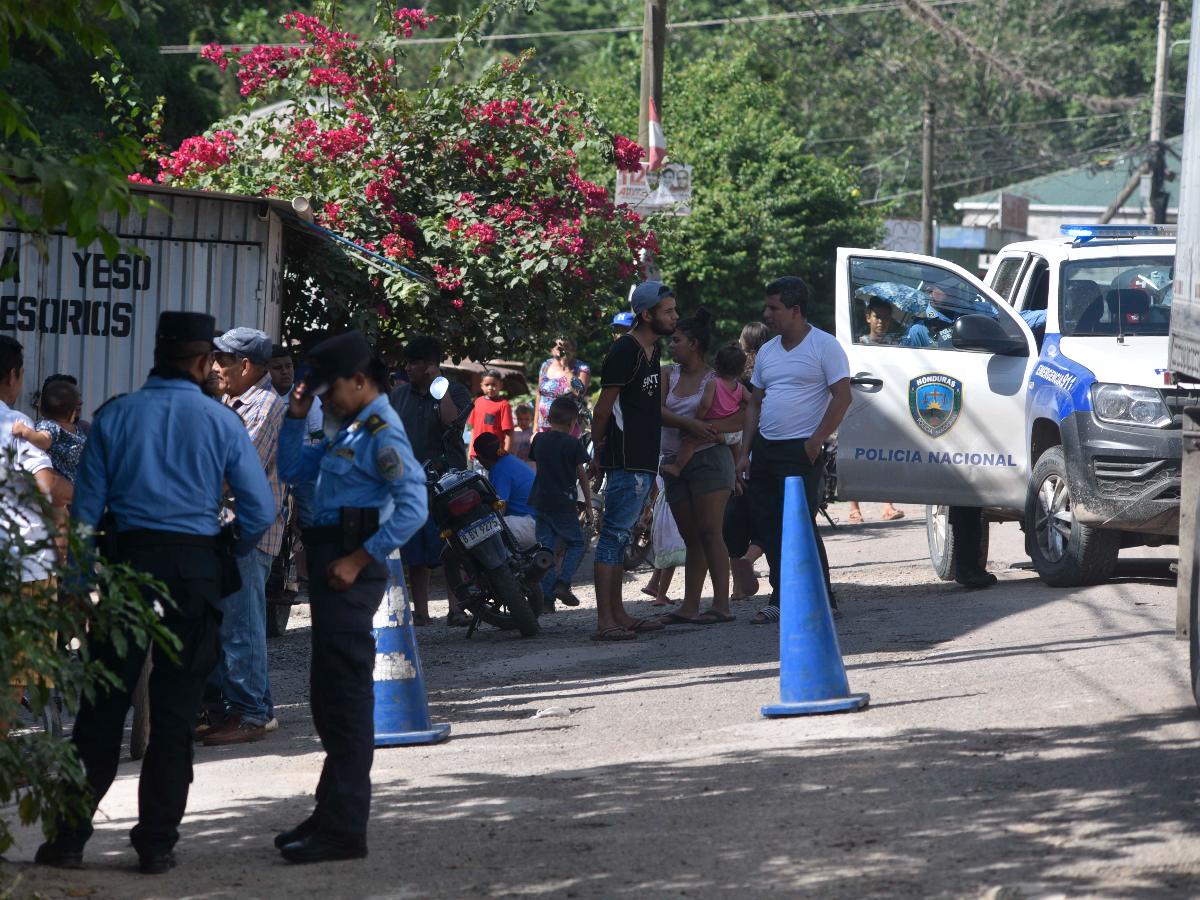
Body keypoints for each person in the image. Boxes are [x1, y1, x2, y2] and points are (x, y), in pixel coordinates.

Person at [36, 312, 275, 874]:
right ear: (202, 361)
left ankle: (68, 839)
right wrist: (222, 552)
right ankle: (157, 844)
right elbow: (260, 511)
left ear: (157, 355)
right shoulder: (222, 422)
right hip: (194, 576)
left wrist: (80, 586)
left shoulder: (115, 416)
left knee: (101, 712)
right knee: (175, 716)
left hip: (126, 573)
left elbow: (86, 515)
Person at [276, 331, 426, 864]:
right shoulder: (352, 429)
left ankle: (344, 830)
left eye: (331, 390)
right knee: (328, 696)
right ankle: (329, 813)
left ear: (359, 381)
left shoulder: (382, 431)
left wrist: (360, 559)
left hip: (349, 568)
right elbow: (293, 471)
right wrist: (295, 418)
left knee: (345, 699)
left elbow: (413, 508)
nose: (326, 399)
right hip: (330, 562)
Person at [737, 277, 851, 625]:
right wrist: (744, 453)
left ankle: (823, 600)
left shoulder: (824, 346)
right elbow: (754, 404)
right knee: (769, 526)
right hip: (765, 449)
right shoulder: (767, 352)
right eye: (766, 307)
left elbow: (843, 397)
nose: (766, 314)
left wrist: (816, 440)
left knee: (800, 525)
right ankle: (781, 598)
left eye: (774, 308)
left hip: (801, 450)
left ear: (796, 310)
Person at [201, 327, 287, 745]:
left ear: (246, 365)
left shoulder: (265, 406)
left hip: (248, 533)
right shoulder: (228, 403)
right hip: (223, 528)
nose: (215, 367)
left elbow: (235, 470)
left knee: (242, 627)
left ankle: (251, 713)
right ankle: (234, 710)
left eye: (222, 360)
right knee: (223, 625)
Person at [588, 282, 678, 641]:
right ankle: (605, 621)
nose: (674, 317)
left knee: (621, 535)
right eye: (668, 311)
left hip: (643, 458)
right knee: (612, 536)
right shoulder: (624, 349)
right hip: (625, 459)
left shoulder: (652, 350)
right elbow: (603, 409)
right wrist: (598, 452)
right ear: (646, 314)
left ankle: (619, 615)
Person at [0, 338, 71, 737]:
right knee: (14, 672)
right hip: (21, 567)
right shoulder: (15, 426)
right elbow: (50, 489)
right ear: (12, 376)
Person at [655, 310, 741, 626]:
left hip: (710, 460)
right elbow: (655, 411)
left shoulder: (717, 379)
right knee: (691, 536)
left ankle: (721, 605)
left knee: (710, 532)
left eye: (676, 340)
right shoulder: (667, 374)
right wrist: (693, 424)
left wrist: (710, 430)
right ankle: (690, 606)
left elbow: (744, 415)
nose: (671, 345)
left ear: (693, 344)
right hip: (673, 462)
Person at [389, 335, 472, 626]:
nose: (407, 368)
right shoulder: (398, 396)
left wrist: (440, 386)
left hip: (449, 480)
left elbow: (452, 423)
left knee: (453, 546)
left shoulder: (455, 391)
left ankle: (457, 608)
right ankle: (421, 612)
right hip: (410, 483)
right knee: (414, 551)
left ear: (430, 365)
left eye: (414, 362)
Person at [528, 396, 592, 610]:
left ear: (548, 418)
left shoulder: (538, 440)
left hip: (540, 501)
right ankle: (563, 583)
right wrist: (588, 504)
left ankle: (547, 600)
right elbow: (582, 475)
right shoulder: (573, 444)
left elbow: (536, 465)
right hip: (564, 503)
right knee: (576, 543)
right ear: (573, 422)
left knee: (546, 551)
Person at [726, 323, 771, 600]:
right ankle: (750, 558)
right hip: (762, 449)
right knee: (769, 516)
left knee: (735, 518)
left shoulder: (734, 372)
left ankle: (737, 588)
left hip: (734, 450)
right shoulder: (769, 369)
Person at [661, 343, 746, 478]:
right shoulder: (740, 388)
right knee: (735, 447)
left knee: (690, 441)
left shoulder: (714, 383)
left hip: (712, 431)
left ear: (717, 365)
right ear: (741, 370)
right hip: (733, 434)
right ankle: (738, 476)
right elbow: (753, 402)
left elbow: (705, 405)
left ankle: (677, 467)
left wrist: (697, 421)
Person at [13, 378, 87, 484]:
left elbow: (44, 440)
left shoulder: (50, 426)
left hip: (58, 481)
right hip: (74, 483)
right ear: (72, 414)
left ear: (41, 409)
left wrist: (25, 431)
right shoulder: (78, 432)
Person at [472, 431, 537, 548]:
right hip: (536, 521)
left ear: (481, 458)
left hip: (531, 524)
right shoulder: (508, 460)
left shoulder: (499, 469)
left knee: (478, 533)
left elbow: (500, 509)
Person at [534, 335, 590, 433]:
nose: (561, 350)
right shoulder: (546, 365)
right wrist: (535, 424)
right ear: (552, 349)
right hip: (543, 425)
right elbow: (539, 394)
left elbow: (579, 393)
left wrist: (566, 367)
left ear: (573, 351)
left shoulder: (582, 368)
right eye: (557, 347)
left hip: (567, 427)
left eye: (565, 347)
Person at [466, 369, 514, 461]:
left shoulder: (504, 405)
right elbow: (473, 429)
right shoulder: (477, 402)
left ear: (501, 385)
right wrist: (471, 449)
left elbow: (509, 432)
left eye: (494, 385)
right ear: (481, 386)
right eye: (487, 385)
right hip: (477, 453)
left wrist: (506, 452)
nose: (490, 388)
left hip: (495, 454)